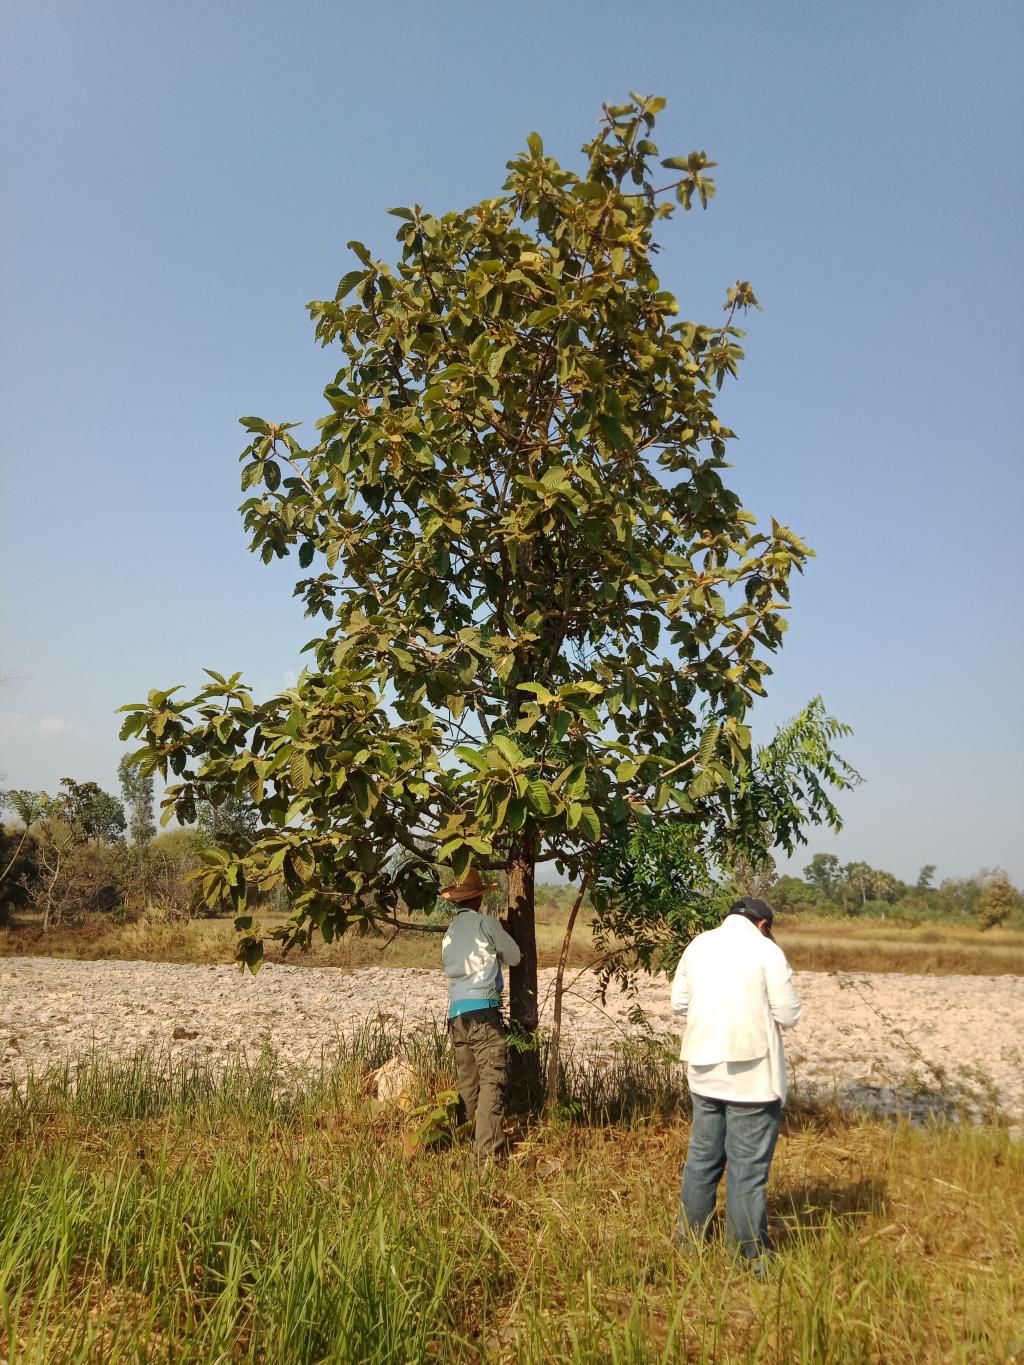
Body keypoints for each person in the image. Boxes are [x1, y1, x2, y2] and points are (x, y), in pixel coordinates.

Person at [671, 895, 801, 1272]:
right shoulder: (766, 950)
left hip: (704, 1071)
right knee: (747, 1171)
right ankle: (747, 1257)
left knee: (702, 1160)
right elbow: (788, 1014)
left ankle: (689, 1242)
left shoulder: (698, 945)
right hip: (752, 1078)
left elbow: (679, 1003)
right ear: (763, 925)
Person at [440, 867, 521, 1162]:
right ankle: (486, 1153)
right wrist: (504, 933)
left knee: (468, 1082)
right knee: (491, 1079)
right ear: (478, 899)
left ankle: (469, 1137)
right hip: (483, 1012)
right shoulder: (487, 923)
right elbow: (514, 957)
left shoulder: (449, 933)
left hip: (456, 1014)